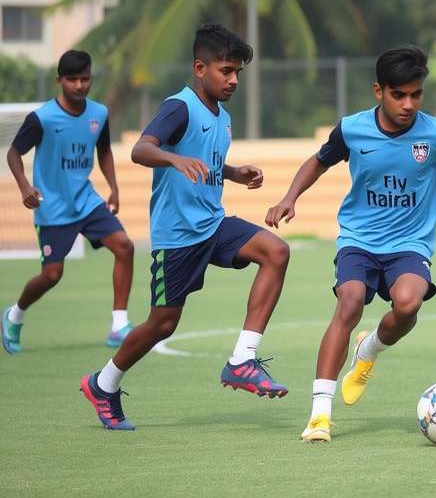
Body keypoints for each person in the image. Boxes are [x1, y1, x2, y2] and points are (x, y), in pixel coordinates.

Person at [265, 45, 436, 443]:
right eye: (398, 94)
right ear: (378, 91)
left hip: (410, 244)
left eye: (416, 94)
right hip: (359, 239)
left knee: (408, 305)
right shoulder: (352, 129)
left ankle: (368, 351)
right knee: (350, 301)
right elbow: (318, 160)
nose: (408, 104)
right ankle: (320, 415)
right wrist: (290, 196)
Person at [80, 24, 290, 431]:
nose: (233, 80)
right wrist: (173, 160)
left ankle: (242, 361)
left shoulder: (222, 117)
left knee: (276, 252)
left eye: (237, 74)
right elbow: (142, 148)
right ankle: (102, 384)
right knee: (162, 323)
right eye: (225, 71)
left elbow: (201, 159)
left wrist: (231, 172)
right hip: (177, 237)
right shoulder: (179, 107)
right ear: (200, 67)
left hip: (212, 224)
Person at [2, 50, 134, 354]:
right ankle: (14, 315)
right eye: (72, 79)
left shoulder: (98, 114)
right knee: (52, 275)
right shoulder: (42, 118)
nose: (79, 85)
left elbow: (104, 152)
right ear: (59, 80)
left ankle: (119, 325)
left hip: (86, 200)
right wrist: (24, 186)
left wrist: (113, 187)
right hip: (52, 207)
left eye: (84, 78)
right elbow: (13, 153)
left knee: (124, 246)